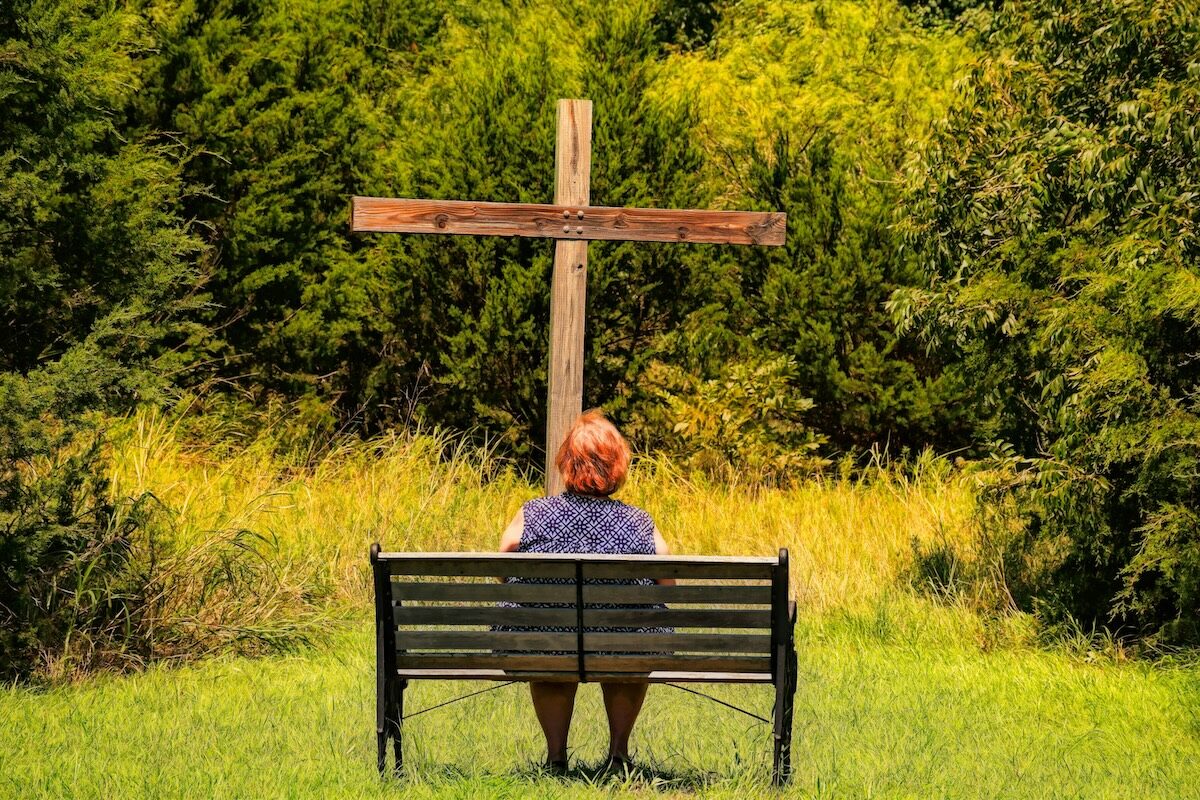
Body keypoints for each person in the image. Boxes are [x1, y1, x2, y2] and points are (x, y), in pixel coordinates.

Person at [497, 410, 672, 774]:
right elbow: (667, 585)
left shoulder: (533, 514)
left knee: (549, 643)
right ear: (617, 467)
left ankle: (556, 758)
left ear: (567, 462)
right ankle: (619, 755)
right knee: (634, 643)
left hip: (547, 641)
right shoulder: (638, 522)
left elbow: (502, 566)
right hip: (621, 644)